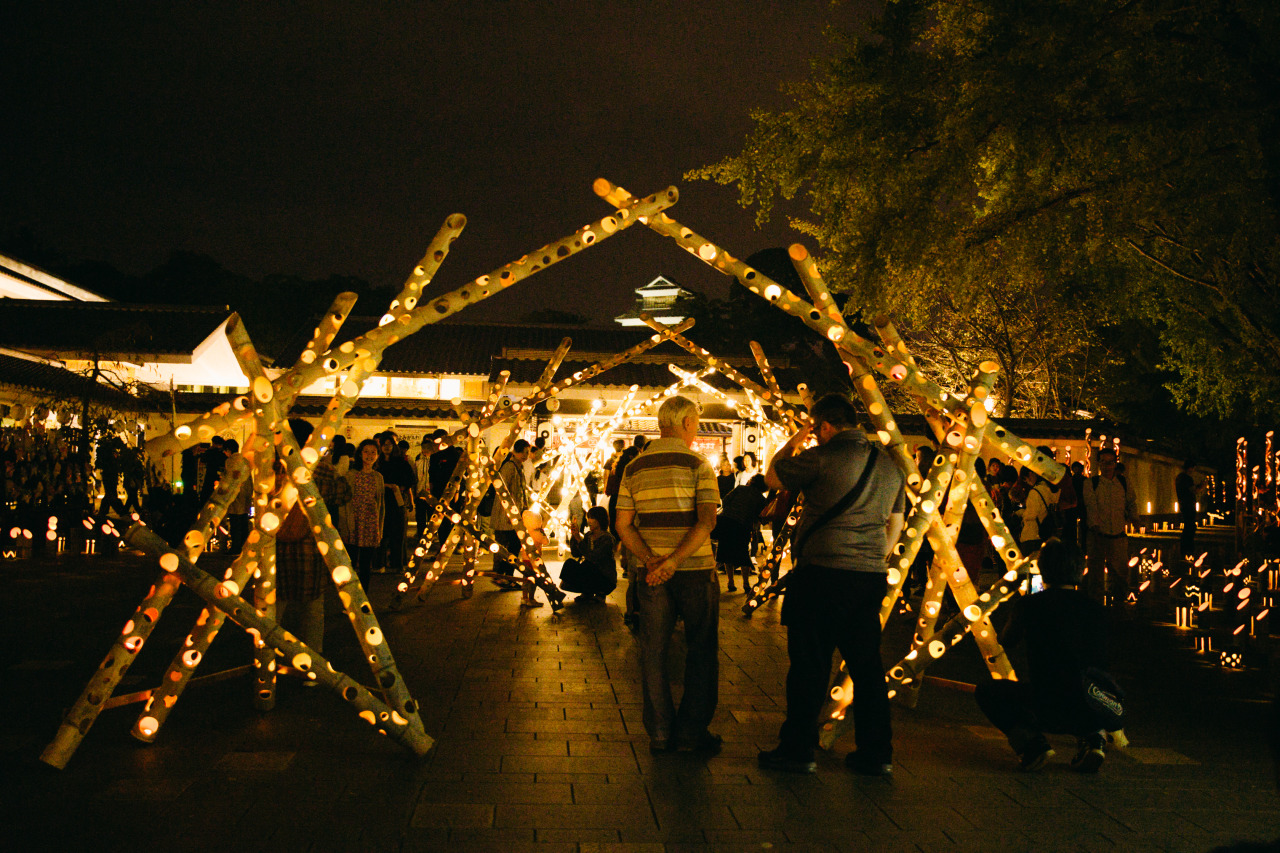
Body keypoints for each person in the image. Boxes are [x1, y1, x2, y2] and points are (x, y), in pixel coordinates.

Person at [757, 393, 906, 776]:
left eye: (816, 429)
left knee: (809, 665)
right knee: (867, 667)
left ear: (823, 425)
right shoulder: (890, 466)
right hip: (868, 578)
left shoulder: (821, 456)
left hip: (821, 575)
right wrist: (874, 558)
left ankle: (798, 750)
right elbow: (896, 523)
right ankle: (877, 753)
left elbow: (774, 476)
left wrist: (797, 435)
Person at [615, 395, 721, 755]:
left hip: (650, 575)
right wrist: (674, 561)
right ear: (689, 423)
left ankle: (660, 731)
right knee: (701, 649)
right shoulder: (699, 464)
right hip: (694, 569)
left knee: (653, 650)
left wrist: (650, 560)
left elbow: (622, 525)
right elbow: (707, 520)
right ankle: (692, 732)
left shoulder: (634, 467)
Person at [974, 539, 1120, 772]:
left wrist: (1019, 609)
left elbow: (1007, 640)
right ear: (1081, 571)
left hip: (1048, 702)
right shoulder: (1096, 610)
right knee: (1086, 689)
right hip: (1096, 704)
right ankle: (1094, 739)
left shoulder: (1031, 605)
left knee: (987, 691)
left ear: (1042, 570)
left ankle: (1032, 745)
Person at [275, 419, 351, 658]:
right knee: (313, 606)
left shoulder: (270, 466)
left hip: (274, 545)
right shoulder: (321, 469)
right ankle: (314, 660)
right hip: (311, 542)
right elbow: (344, 494)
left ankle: (266, 656)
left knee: (274, 604)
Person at [1081, 448, 1138, 603]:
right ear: (1099, 464)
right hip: (1097, 537)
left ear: (1115, 463)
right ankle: (1097, 608)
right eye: (1103, 462)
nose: (1107, 466)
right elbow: (1091, 507)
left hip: (1118, 537)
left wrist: (1135, 519)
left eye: (1110, 462)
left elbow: (1131, 503)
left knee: (1120, 576)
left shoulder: (1124, 483)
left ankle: (1119, 607)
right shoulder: (1091, 484)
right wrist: (1095, 527)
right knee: (1096, 577)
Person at [343, 439, 385, 591]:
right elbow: (344, 502)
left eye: (373, 452)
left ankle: (364, 598)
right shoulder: (351, 475)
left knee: (366, 565)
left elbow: (381, 506)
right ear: (360, 454)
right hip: (353, 522)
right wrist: (345, 526)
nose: (369, 455)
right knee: (351, 563)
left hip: (370, 523)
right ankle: (351, 597)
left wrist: (379, 528)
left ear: (377, 456)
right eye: (366, 452)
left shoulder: (378, 477)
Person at [716, 474, 770, 592]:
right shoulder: (761, 499)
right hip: (743, 525)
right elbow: (761, 516)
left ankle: (730, 582)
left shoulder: (740, 488)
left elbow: (725, 501)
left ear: (753, 481)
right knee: (743, 553)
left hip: (726, 521)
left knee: (726, 552)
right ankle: (746, 584)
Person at [491, 439, 532, 590]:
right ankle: (502, 576)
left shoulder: (518, 467)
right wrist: (509, 512)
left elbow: (521, 492)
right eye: (523, 452)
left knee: (513, 547)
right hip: (506, 517)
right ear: (515, 451)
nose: (525, 455)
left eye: (527, 453)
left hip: (514, 516)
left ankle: (506, 577)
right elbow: (502, 490)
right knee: (506, 547)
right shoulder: (509, 467)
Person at [375, 434, 416, 575]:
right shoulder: (376, 462)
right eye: (384, 444)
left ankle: (397, 563)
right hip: (379, 500)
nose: (386, 447)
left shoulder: (401, 462)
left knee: (397, 532)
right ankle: (379, 563)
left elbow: (410, 479)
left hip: (396, 500)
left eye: (389, 444)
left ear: (394, 446)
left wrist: (401, 488)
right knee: (380, 532)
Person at [560, 505, 617, 601]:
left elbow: (593, 557)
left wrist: (579, 539)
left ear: (599, 520)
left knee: (588, 565)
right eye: (588, 518)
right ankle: (587, 592)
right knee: (570, 563)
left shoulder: (607, 538)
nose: (588, 521)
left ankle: (600, 593)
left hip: (604, 576)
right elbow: (576, 553)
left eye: (591, 518)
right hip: (591, 573)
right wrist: (574, 536)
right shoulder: (588, 535)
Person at [1176, 460, 1199, 559]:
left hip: (1183, 504)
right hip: (1188, 505)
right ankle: (1188, 550)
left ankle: (1185, 550)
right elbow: (1193, 490)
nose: (1193, 470)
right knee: (1190, 527)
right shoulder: (1187, 478)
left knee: (1188, 526)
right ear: (1190, 467)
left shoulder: (1179, 478)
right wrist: (1201, 486)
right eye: (1193, 468)